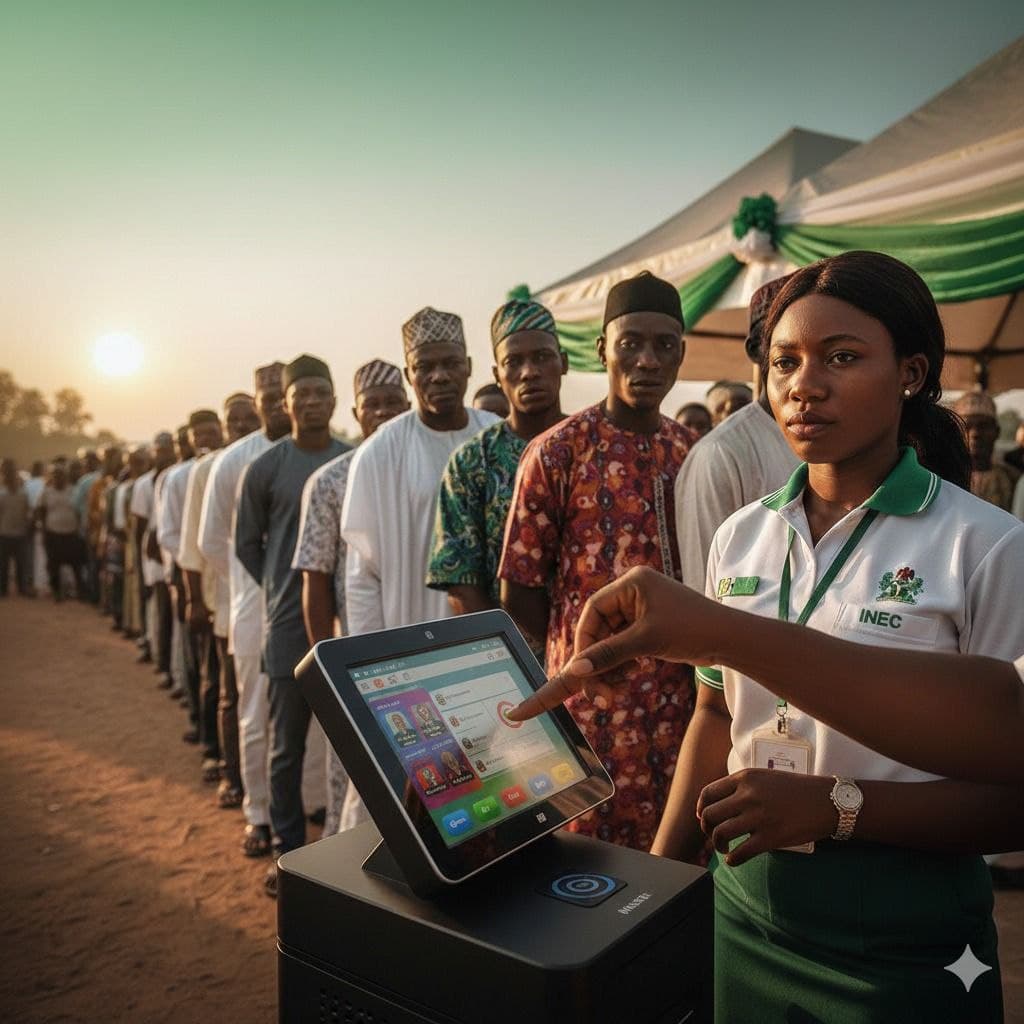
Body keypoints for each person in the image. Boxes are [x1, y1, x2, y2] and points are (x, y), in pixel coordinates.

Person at [517, 251, 1023, 1023]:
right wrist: (659, 886)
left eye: (842, 357)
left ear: (912, 373)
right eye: (784, 362)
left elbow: (1012, 797)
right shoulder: (741, 538)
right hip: (745, 908)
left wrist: (838, 806)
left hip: (904, 932)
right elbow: (717, 719)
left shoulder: (984, 544)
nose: (803, 384)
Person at [499, 271, 695, 851]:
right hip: (589, 702)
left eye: (663, 345)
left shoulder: (692, 453)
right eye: (630, 343)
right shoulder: (557, 451)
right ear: (601, 350)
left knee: (674, 860)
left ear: (681, 353)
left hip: (679, 704)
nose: (647, 360)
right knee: (585, 866)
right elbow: (522, 595)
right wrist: (586, 663)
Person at [236, 355, 349, 893]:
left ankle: (345, 850)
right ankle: (286, 850)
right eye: (299, 393)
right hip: (286, 628)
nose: (309, 401)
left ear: (333, 398)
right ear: (284, 403)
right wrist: (285, 591)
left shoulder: (354, 461)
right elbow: (246, 545)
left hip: (347, 627)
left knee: (352, 747)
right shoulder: (265, 469)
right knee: (287, 747)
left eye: (319, 391)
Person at [292, 358, 409, 837]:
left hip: (416, 636)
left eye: (392, 403)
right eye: (372, 405)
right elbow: (315, 579)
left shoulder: (424, 468)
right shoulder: (330, 481)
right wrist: (326, 662)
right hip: (357, 644)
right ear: (357, 412)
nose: (383, 414)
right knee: (353, 770)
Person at [341, 307, 499, 635]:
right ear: (409, 373)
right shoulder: (379, 452)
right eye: (425, 366)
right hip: (411, 632)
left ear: (468, 367)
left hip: (496, 631)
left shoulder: (498, 437)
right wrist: (374, 659)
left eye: (450, 364)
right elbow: (361, 576)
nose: (439, 376)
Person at [199, 362, 291, 857]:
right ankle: (258, 814)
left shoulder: (315, 451)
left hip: (309, 610)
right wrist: (258, 582)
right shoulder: (234, 461)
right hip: (254, 608)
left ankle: (309, 805)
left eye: (283, 393)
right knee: (256, 717)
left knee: (311, 718)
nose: (276, 402)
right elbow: (213, 542)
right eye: (267, 395)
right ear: (255, 401)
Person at [428, 299, 567, 617]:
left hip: (599, 654)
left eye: (542, 357)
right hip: (511, 656)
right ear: (497, 373)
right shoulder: (471, 462)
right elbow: (461, 581)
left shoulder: (596, 447)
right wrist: (508, 653)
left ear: (564, 362)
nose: (529, 372)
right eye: (514, 361)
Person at [674, 277, 799, 589]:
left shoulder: (844, 446)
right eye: (788, 342)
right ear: (758, 349)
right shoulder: (721, 453)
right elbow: (704, 597)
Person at [178, 410, 227, 786]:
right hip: (212, 593)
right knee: (215, 678)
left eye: (213, 431)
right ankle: (213, 751)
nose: (207, 437)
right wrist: (194, 599)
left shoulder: (238, 462)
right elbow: (188, 545)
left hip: (243, 595)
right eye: (201, 433)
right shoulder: (195, 473)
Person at [134, 432, 176, 682]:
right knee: (159, 609)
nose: (165, 454)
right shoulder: (143, 484)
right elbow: (140, 525)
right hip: (153, 551)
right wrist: (145, 557)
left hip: (173, 551)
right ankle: (162, 663)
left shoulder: (178, 475)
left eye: (168, 449)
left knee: (171, 614)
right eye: (160, 450)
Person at [952, 390, 1019, 512]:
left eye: (983, 426)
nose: (975, 434)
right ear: (955, 432)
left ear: (997, 432)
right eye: (967, 426)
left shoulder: (1013, 479)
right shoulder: (942, 479)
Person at [36, 461, 81, 601]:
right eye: (56, 475)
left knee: (76, 564)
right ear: (52, 477)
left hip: (71, 533)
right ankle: (57, 592)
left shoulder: (74, 490)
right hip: (53, 533)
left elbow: (79, 511)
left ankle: (80, 592)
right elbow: (41, 512)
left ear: (66, 476)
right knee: (53, 565)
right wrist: (43, 531)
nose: (59, 478)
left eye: (61, 475)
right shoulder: (46, 492)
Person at [0, 458, 32, 597]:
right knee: (3, 564)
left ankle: (22, 588)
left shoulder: (24, 494)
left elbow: (28, 512)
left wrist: (28, 527)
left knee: (21, 563)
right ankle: (3, 589)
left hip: (20, 533)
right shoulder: (1, 494)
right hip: (4, 532)